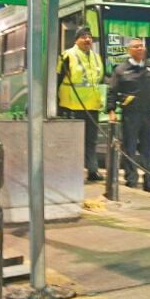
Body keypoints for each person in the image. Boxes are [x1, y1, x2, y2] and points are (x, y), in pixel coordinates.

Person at [106, 37, 150, 192]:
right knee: (129, 148)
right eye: (136, 47)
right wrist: (111, 111)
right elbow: (112, 92)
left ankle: (149, 181)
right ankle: (131, 180)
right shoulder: (121, 70)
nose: (140, 49)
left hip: (148, 115)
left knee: (148, 150)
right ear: (130, 50)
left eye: (141, 46)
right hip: (130, 115)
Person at [58, 26, 105, 182]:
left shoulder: (96, 57)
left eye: (90, 37)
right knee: (73, 143)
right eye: (83, 36)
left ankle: (92, 171)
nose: (87, 39)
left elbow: (98, 81)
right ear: (76, 39)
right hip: (72, 106)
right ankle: (72, 173)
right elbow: (57, 81)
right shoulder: (67, 55)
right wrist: (57, 106)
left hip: (91, 106)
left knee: (91, 141)